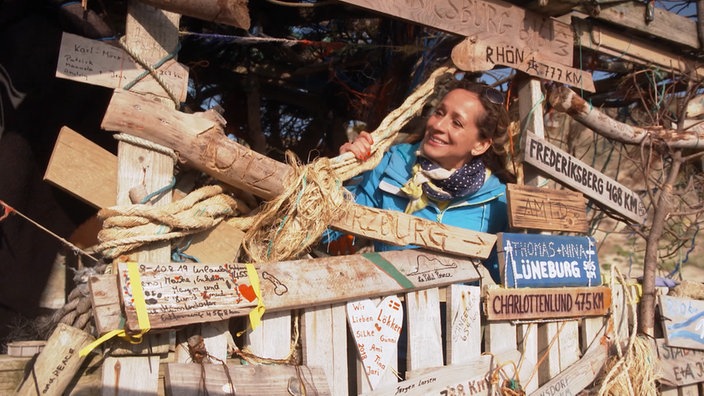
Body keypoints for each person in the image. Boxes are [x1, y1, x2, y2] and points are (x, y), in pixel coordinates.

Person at [331, 78, 516, 282]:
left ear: (480, 145)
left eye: (457, 123)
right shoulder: (389, 168)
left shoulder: (497, 202)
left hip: (461, 312)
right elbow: (326, 234)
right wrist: (341, 173)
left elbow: (504, 280)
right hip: (395, 310)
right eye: (439, 112)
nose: (438, 125)